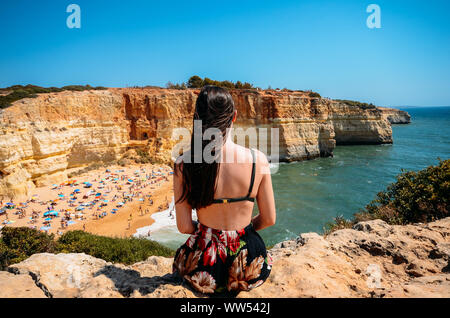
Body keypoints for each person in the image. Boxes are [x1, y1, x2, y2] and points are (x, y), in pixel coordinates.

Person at [172, 86, 276, 295]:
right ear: (234, 116)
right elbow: (269, 219)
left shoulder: (184, 163)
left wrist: (210, 234)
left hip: (204, 266)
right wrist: (239, 233)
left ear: (198, 118)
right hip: (247, 264)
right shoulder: (258, 160)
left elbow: (184, 226)